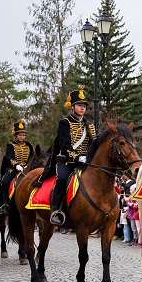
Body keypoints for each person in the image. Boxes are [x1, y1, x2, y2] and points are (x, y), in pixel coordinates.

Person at [36, 88, 96, 226]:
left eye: (84, 106)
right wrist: (77, 157)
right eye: (80, 105)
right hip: (68, 162)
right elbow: (65, 145)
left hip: (85, 163)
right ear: (72, 107)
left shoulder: (90, 126)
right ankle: (56, 210)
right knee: (62, 178)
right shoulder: (65, 123)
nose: (82, 108)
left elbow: (94, 145)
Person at [0, 120, 34, 215]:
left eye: (23, 135)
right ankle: (4, 204)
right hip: (13, 169)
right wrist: (16, 165)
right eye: (20, 135)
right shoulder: (10, 145)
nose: (22, 137)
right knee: (5, 182)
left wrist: (28, 165)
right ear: (16, 135)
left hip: (26, 169)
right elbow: (9, 157)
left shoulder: (28, 145)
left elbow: (32, 157)